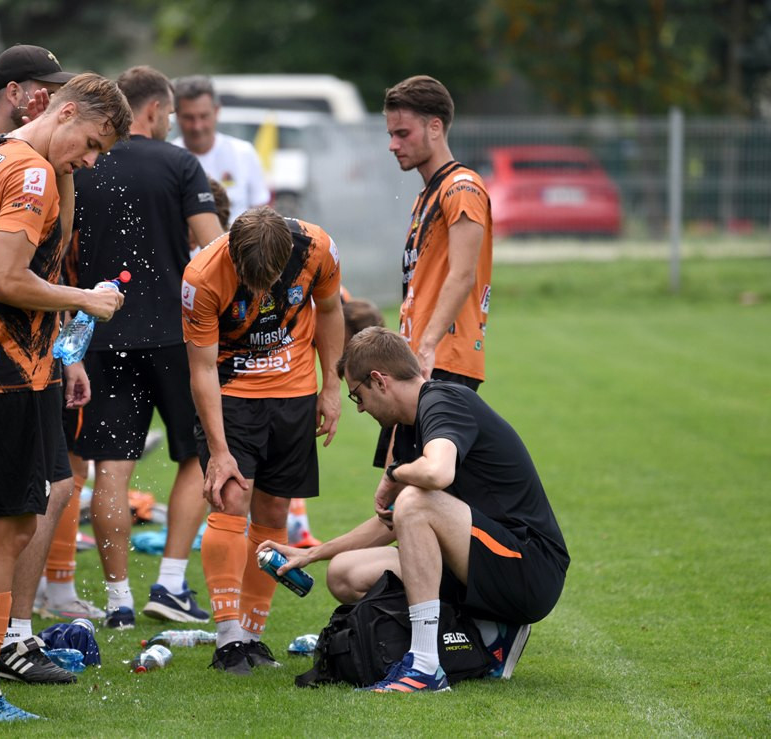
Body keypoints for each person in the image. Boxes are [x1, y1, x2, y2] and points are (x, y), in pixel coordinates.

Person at [0, 71, 132, 722]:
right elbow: (8, 277)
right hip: (4, 367)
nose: (91, 161)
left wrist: (66, 162)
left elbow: (49, 243)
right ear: (65, 111)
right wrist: (84, 300)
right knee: (10, 529)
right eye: (92, 144)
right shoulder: (32, 173)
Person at [259, 327, 569, 692]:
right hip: (483, 561)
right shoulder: (408, 426)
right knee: (344, 573)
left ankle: (425, 666)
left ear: (379, 380)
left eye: (357, 395)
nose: (359, 408)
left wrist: (395, 473)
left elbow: (437, 475)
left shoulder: (443, 402)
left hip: (529, 569)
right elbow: (395, 522)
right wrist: (312, 554)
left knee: (415, 501)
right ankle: (487, 637)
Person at [59, 65, 223, 629]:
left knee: (112, 469)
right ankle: (171, 585)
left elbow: (62, 251)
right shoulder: (179, 163)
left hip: (102, 334)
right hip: (176, 338)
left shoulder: (83, 162)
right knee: (198, 456)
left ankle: (119, 599)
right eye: (172, 113)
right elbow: (212, 250)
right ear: (153, 110)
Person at [182, 205, 344, 675]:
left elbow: (331, 310)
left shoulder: (317, 248)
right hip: (232, 394)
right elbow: (201, 369)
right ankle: (228, 636)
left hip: (294, 393)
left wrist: (330, 386)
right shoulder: (201, 277)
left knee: (274, 512)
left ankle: (253, 636)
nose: (257, 289)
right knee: (230, 500)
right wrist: (217, 451)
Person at [373, 74, 494, 469]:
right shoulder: (427, 195)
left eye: (403, 133)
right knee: (399, 488)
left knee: (426, 489)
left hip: (442, 361)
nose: (393, 144)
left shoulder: (462, 187)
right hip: (418, 359)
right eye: (391, 134)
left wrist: (425, 345)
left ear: (435, 126)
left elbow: (463, 275)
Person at [172, 75, 270, 223]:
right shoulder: (167, 159)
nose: (197, 126)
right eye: (189, 117)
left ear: (217, 111)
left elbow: (263, 212)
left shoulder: (243, 152)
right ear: (177, 115)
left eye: (204, 116)